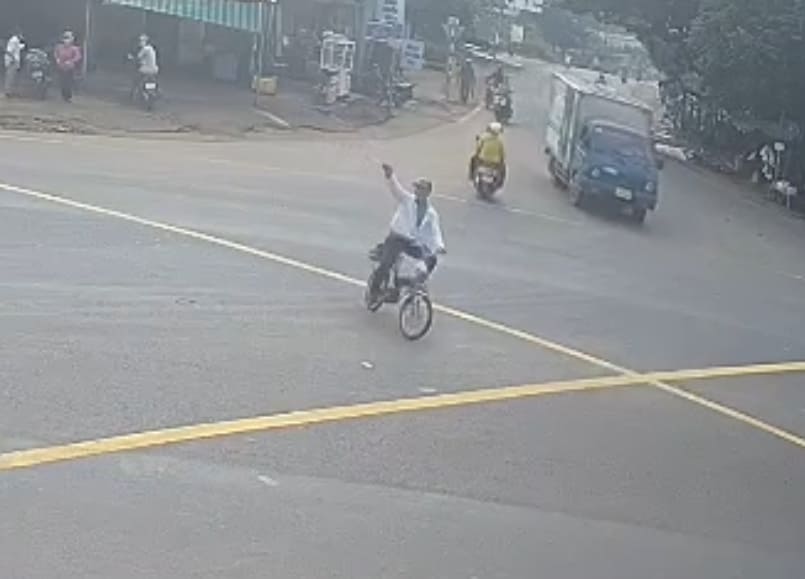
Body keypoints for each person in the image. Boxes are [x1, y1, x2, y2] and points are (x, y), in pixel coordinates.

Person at [369, 164, 445, 299]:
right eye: (416, 188)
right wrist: (390, 176)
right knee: (387, 263)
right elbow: (396, 190)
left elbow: (435, 232)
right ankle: (375, 290)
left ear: (427, 192)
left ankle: (415, 283)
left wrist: (439, 247)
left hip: (411, 242)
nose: (417, 191)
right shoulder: (407, 200)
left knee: (430, 259)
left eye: (421, 189)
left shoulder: (431, 213)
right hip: (396, 238)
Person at [470, 122, 507, 188]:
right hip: (495, 163)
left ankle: (471, 176)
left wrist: (476, 154)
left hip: (483, 160)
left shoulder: (483, 137)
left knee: (472, 159)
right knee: (503, 169)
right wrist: (502, 161)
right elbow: (502, 154)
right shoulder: (499, 141)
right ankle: (500, 183)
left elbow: (478, 148)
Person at [54, 31, 82, 102]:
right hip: (61, 67)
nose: (66, 41)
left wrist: (71, 61)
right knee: (62, 82)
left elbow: (78, 56)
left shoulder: (75, 48)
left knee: (68, 82)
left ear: (72, 39)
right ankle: (63, 95)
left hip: (70, 68)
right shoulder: (59, 47)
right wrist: (57, 59)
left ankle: (68, 97)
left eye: (68, 38)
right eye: (65, 38)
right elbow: (56, 54)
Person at [131, 34, 158, 99]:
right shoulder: (151, 48)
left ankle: (134, 94)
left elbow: (137, 58)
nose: (139, 42)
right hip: (155, 69)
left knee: (136, 78)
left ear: (145, 41)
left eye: (141, 41)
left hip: (147, 69)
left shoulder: (145, 49)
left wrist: (131, 58)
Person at [4, 27, 25, 97]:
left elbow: (19, 48)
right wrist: (12, 60)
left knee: (13, 77)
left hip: (15, 61)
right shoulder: (13, 40)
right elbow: (9, 51)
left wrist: (23, 42)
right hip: (12, 61)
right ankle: (8, 92)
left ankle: (11, 91)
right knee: (10, 77)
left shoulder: (17, 41)